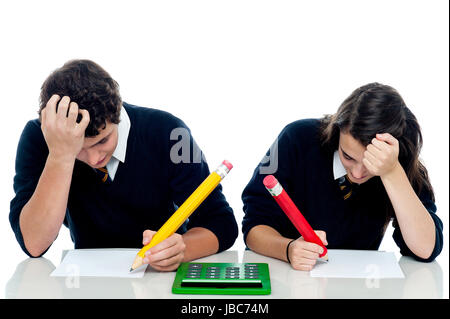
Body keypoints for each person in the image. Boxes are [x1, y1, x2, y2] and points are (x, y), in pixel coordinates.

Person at [10, 59, 238, 272]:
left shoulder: (168, 132)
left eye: (103, 140)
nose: (93, 159)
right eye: (78, 148)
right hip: (88, 281)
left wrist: (182, 249)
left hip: (160, 280)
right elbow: (34, 244)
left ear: (118, 112)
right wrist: (61, 155)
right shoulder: (40, 138)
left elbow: (222, 223)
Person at [242, 82, 443, 271]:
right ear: (338, 132)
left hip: (358, 286)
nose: (357, 174)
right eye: (348, 157)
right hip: (288, 276)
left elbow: (425, 250)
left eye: (371, 164)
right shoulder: (297, 138)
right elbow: (253, 227)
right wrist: (288, 249)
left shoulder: (400, 166)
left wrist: (391, 172)